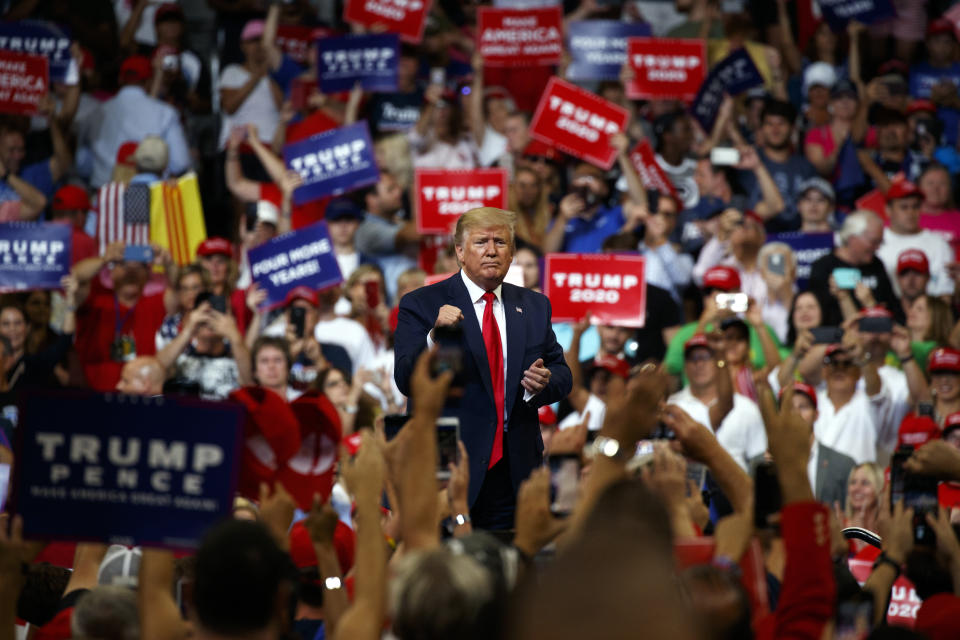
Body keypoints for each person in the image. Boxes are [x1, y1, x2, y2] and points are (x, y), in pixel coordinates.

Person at [394, 207, 572, 529]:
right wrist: (435, 340)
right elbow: (408, 380)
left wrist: (543, 383)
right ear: (459, 252)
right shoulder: (420, 303)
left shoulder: (533, 305)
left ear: (512, 252)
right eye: (481, 242)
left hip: (515, 465)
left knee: (508, 571)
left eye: (501, 242)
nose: (492, 250)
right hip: (448, 465)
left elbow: (562, 373)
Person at [72, 242, 168, 391]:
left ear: (147, 274)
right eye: (123, 265)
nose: (131, 271)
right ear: (111, 271)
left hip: (141, 395)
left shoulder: (156, 302)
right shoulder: (96, 298)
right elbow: (75, 276)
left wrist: (168, 263)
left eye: (138, 267)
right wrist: (104, 259)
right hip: (90, 393)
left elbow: (178, 288)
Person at [86, 55, 190, 188]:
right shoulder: (165, 113)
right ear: (148, 82)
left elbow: (83, 163)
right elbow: (180, 163)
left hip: (105, 197)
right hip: (151, 196)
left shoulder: (97, 112)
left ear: (120, 79)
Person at [667, 333, 766, 471]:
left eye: (706, 357)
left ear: (719, 362)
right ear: (685, 366)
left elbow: (758, 461)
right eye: (693, 358)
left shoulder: (746, 407)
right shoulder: (671, 407)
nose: (699, 364)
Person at [808, 209, 903, 326]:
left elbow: (894, 309)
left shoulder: (876, 265)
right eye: (873, 242)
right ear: (852, 238)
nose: (878, 248)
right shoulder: (823, 267)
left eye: (880, 242)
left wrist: (871, 304)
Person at [156, 299, 252, 400]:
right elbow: (156, 369)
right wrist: (188, 331)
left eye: (215, 315)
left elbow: (249, 383)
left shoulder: (237, 359)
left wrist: (233, 335)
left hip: (226, 413)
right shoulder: (181, 359)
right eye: (204, 315)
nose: (208, 320)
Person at [783, 382, 856, 509]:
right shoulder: (765, 464)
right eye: (789, 408)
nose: (796, 414)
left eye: (803, 407)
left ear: (816, 415)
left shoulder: (843, 464)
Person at [876, 180, 955, 297]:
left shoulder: (939, 244)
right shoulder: (877, 242)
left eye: (915, 206)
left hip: (930, 310)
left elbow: (945, 293)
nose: (911, 212)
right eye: (904, 207)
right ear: (888, 210)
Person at [813, 343, 889, 464]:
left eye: (847, 364)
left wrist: (862, 357)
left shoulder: (868, 403)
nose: (840, 369)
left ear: (859, 372)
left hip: (856, 480)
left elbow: (876, 389)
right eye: (834, 363)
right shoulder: (813, 401)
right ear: (824, 371)